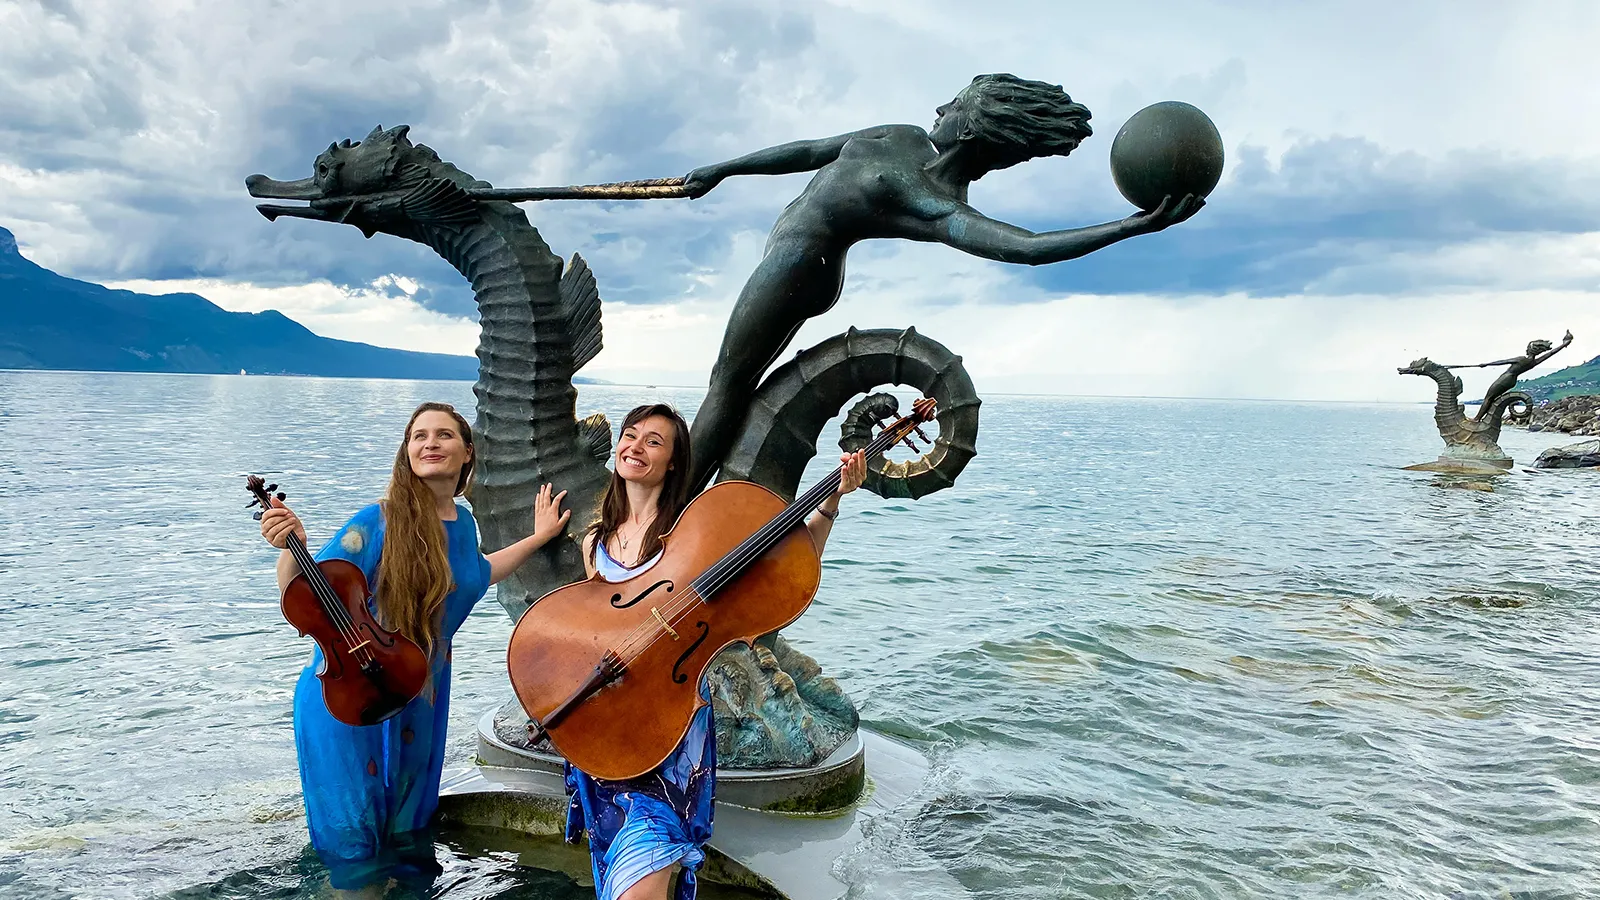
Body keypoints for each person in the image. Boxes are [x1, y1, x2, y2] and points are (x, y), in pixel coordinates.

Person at [678, 73, 1205, 491]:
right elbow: (812, 150)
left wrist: (1129, 227)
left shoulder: (940, 205)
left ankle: (662, 518)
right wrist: (722, 169)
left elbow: (1026, 247)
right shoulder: (903, 136)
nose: (939, 110)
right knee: (733, 386)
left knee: (726, 383)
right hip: (790, 262)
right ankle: (701, 501)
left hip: (799, 269)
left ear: (972, 128)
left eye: (953, 104)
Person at [554, 403, 866, 900]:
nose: (635, 446)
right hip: (611, 726)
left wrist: (829, 503)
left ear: (673, 462)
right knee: (616, 876)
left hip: (674, 728)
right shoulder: (596, 541)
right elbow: (595, 629)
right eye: (630, 436)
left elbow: (783, 570)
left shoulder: (692, 535)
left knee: (644, 872)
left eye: (653, 441)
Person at [258, 401, 571, 891]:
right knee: (355, 854)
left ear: (467, 451)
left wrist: (539, 538)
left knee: (408, 843)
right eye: (418, 435)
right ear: (406, 452)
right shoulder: (378, 521)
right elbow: (307, 591)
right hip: (349, 695)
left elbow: (479, 573)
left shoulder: (463, 525)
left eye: (443, 435)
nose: (430, 443)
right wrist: (289, 548)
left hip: (418, 695)